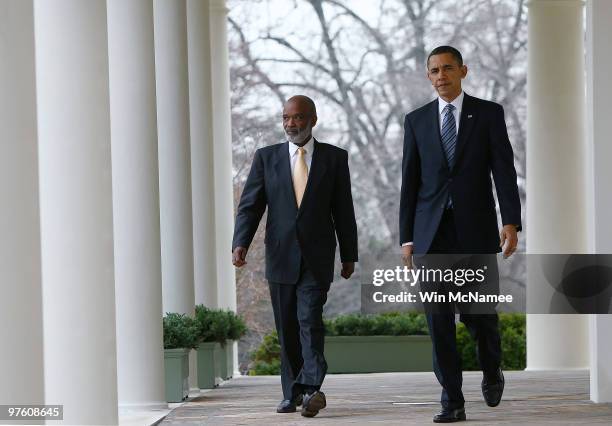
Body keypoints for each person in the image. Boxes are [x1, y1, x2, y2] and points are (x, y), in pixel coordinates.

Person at [399, 46, 522, 423]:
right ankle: (452, 400)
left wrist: (511, 221)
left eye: (447, 68)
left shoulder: (487, 114)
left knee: (480, 315)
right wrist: (407, 237)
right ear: (428, 76)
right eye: (434, 70)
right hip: (432, 236)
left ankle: (491, 368)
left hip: (477, 232)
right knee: (438, 321)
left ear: (463, 71)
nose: (440, 76)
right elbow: (411, 181)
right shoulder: (416, 121)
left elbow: (503, 169)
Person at [232, 95, 358, 418]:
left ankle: (313, 388)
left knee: (309, 322)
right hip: (280, 255)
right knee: (287, 327)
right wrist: (240, 242)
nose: (291, 124)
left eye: (298, 118)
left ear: (313, 119)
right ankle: (292, 393)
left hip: (316, 258)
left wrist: (349, 254)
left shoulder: (334, 158)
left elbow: (343, 210)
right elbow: (251, 205)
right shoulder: (266, 158)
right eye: (286, 118)